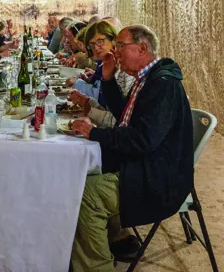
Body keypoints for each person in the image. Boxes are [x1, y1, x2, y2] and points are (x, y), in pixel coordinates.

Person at [70, 25, 194, 271]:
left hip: (157, 178)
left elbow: (143, 139)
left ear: (142, 48)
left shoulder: (163, 84)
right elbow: (124, 115)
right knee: (79, 172)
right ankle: (117, 237)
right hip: (146, 166)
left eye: (120, 46)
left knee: (84, 194)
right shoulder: (148, 78)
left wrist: (95, 133)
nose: (115, 53)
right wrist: (107, 78)